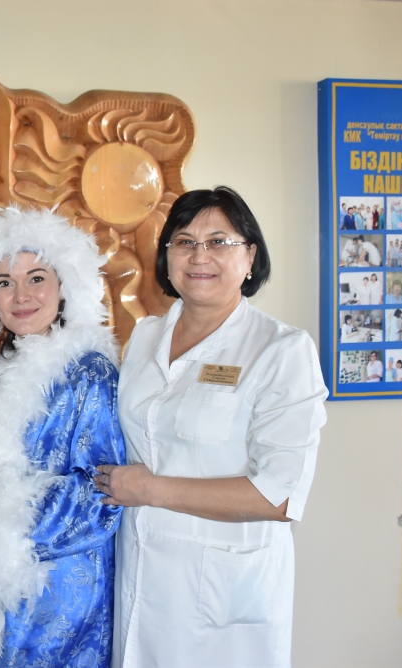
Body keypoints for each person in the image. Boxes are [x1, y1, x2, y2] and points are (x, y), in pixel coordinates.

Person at [95, 187, 328, 667]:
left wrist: (151, 490)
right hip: (141, 571)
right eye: (184, 241)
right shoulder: (146, 336)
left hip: (223, 591)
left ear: (250, 257)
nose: (199, 256)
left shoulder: (281, 350)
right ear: (167, 257)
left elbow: (279, 497)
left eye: (219, 241)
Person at [0, 206, 125, 667]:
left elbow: (103, 492)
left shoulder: (89, 372)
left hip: (59, 592)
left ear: (63, 284)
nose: (21, 296)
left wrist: (0, 528)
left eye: (36, 278)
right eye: (4, 282)